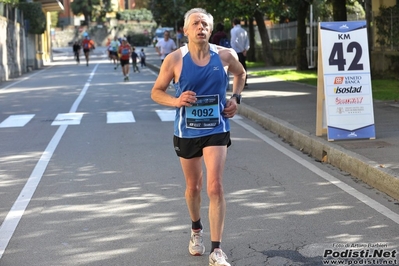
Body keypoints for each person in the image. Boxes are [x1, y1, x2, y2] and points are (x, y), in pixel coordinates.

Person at [151, 7, 246, 266]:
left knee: (215, 186)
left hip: (217, 128)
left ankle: (217, 251)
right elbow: (156, 92)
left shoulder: (225, 56)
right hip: (187, 131)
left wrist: (235, 98)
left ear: (210, 30)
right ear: (186, 30)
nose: (200, 27)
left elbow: (241, 74)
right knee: (193, 188)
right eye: (195, 23)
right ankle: (196, 230)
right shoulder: (174, 59)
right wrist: (176, 100)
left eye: (205, 24)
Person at [230, 18, 249, 86]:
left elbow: (235, 41)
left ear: (234, 23)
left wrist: (241, 49)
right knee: (243, 66)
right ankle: (245, 80)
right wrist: (245, 49)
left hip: (237, 51)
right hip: (243, 51)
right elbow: (247, 41)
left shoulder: (233, 30)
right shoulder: (244, 31)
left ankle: (239, 81)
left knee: (237, 67)